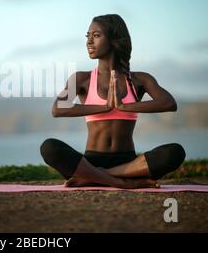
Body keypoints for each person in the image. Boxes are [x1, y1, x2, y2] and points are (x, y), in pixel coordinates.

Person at [40, 14, 186, 189]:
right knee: (49, 148)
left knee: (175, 152)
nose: (89, 42)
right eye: (88, 36)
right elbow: (57, 109)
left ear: (114, 39)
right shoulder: (82, 79)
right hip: (90, 160)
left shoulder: (139, 80)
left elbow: (169, 103)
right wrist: (105, 107)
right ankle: (121, 182)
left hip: (128, 162)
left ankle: (95, 177)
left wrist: (124, 106)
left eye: (96, 35)